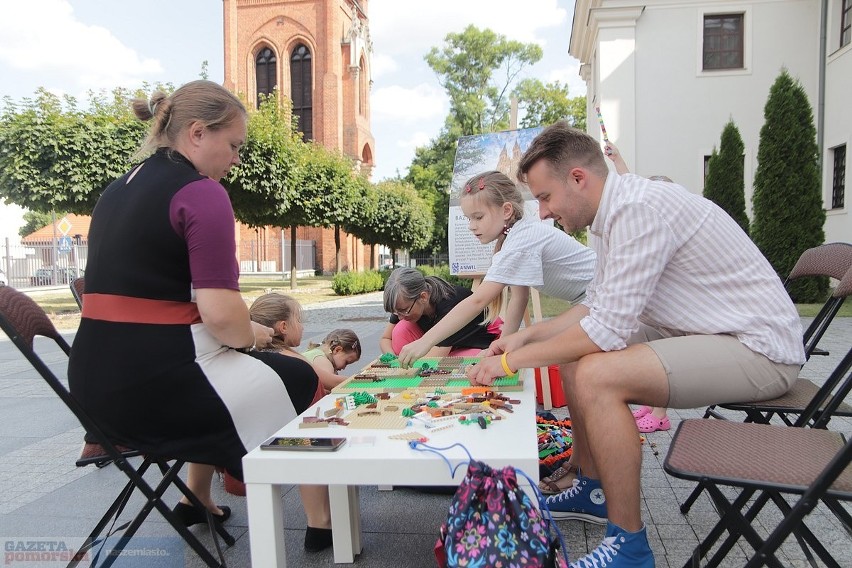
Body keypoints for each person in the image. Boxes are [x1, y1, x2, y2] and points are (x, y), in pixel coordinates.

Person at [467, 121, 804, 567]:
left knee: (597, 372)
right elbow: (597, 308)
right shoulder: (611, 215)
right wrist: (526, 335)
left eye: (545, 197)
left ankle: (629, 546)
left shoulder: (639, 209)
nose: (543, 213)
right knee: (578, 358)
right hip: (709, 332)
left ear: (579, 179)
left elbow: (604, 331)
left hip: (760, 349)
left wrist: (511, 360)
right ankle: (592, 490)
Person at [67, 80, 318, 531]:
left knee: (238, 372)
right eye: (234, 144)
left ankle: (197, 496)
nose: (237, 158)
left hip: (93, 392)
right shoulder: (202, 193)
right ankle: (277, 519)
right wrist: (255, 334)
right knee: (298, 375)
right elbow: (224, 319)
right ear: (198, 133)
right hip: (154, 392)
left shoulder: (116, 189)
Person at [397, 170, 594, 367]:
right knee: (567, 365)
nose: (471, 226)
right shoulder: (515, 236)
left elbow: (478, 301)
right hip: (590, 300)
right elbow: (519, 297)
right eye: (468, 219)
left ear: (506, 211)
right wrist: (500, 348)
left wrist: (425, 341)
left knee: (568, 365)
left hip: (601, 296)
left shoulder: (520, 241)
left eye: (478, 217)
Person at [248, 292, 362, 552]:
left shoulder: (252, 358)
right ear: (283, 326)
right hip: (291, 447)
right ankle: (320, 522)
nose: (304, 326)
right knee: (319, 431)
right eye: (299, 319)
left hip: (251, 446)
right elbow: (315, 425)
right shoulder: (297, 365)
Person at [381, 267, 501, 358]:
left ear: (423, 297)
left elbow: (435, 356)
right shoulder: (404, 304)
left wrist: (406, 365)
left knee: (452, 364)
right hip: (446, 346)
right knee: (401, 329)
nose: (400, 317)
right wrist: (393, 359)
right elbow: (386, 338)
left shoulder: (449, 303)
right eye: (397, 313)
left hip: (477, 343)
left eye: (403, 311)